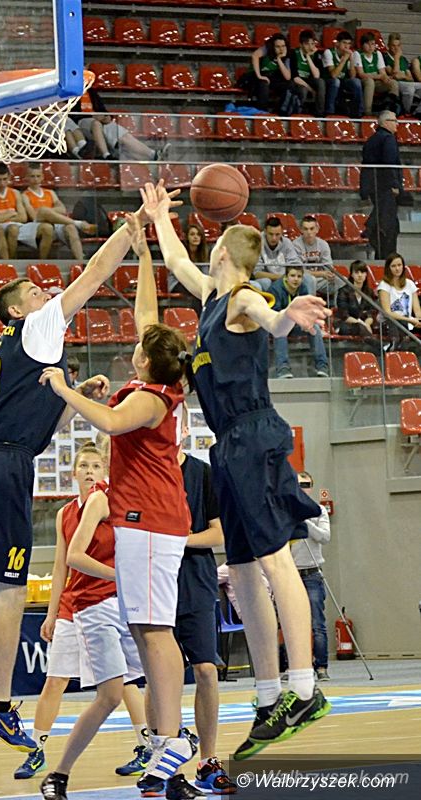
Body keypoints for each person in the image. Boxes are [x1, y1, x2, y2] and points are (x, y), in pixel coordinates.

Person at [0, 203, 150, 752]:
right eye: (33, 292)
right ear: (16, 310)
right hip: (1, 468)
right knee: (9, 590)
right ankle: (0, 705)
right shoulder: (39, 325)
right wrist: (133, 229)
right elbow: (93, 274)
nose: (45, 294)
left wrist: (73, 398)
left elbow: (33, 424)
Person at [143, 180, 331, 762]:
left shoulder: (244, 297)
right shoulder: (209, 298)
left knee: (276, 561)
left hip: (254, 434)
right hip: (226, 445)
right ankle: (269, 694)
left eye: (213, 244)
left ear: (223, 251)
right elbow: (176, 259)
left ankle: (305, 688)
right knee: (244, 570)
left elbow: (270, 320)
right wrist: (158, 217)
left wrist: (287, 315)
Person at [39, 215, 198, 800]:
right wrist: (144, 251)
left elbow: (107, 422)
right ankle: (164, 738)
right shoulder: (157, 381)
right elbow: (147, 316)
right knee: (146, 630)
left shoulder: (152, 400)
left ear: (147, 363)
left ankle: (172, 737)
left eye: (138, 349)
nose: (134, 344)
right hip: (146, 524)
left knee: (155, 632)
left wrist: (64, 388)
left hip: (152, 522)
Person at [15, 443, 147, 781]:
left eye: (96, 466)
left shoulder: (114, 503)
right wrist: (51, 612)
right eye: (84, 466)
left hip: (109, 601)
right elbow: (61, 565)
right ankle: (36, 749)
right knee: (55, 679)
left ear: (105, 471)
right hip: (74, 603)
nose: (89, 471)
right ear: (73, 472)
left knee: (124, 679)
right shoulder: (65, 514)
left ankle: (146, 743)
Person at [173, 410, 237, 795]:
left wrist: (179, 541)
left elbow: (219, 533)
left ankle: (208, 760)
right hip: (155, 583)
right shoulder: (143, 473)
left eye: (175, 422)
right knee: (160, 678)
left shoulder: (202, 473)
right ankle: (164, 761)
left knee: (206, 671)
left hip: (195, 579)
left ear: (184, 428)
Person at [291, 472, 331, 681]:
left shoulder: (318, 511)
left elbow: (325, 537)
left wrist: (306, 522)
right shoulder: (286, 511)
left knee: (317, 623)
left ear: (311, 487)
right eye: (299, 484)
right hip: (292, 574)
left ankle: (321, 666)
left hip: (312, 572)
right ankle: (294, 667)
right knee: (290, 623)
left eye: (306, 485)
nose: (302, 488)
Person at [71, 88, 169, 161]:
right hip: (81, 122)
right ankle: (106, 155)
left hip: (100, 122)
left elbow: (103, 110)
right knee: (96, 124)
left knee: (122, 134)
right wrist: (93, 116)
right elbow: (71, 114)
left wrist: (106, 117)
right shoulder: (72, 93)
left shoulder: (92, 92)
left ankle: (153, 154)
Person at [20, 163, 90, 260]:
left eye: (38, 176)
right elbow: (34, 215)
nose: (35, 179)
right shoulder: (25, 195)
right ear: (27, 178)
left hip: (55, 223)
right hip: (37, 225)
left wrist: (48, 213)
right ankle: (78, 223)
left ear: (42, 177)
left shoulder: (50, 193)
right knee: (43, 211)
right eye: (32, 176)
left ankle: (81, 260)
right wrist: (48, 212)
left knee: (70, 227)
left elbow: (63, 210)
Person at [270, 266, 329, 379]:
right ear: (286, 277)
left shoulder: (303, 288)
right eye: (292, 276)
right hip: (278, 322)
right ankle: (283, 368)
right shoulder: (275, 289)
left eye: (299, 276)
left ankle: (322, 366)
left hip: (296, 323)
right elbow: (275, 313)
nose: (296, 279)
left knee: (314, 327)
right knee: (280, 330)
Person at [360, 110, 402, 259]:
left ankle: (372, 229)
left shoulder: (371, 139)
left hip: (374, 185)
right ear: (385, 123)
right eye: (394, 121)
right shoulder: (388, 139)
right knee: (388, 225)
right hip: (385, 186)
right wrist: (394, 184)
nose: (397, 124)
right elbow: (390, 163)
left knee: (383, 221)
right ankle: (371, 228)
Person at [292, 215, 343, 301]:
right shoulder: (295, 245)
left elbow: (328, 267)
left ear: (317, 229)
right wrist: (321, 274)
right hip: (303, 279)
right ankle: (311, 307)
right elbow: (298, 271)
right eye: (306, 229)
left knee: (342, 281)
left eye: (312, 229)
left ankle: (337, 306)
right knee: (310, 280)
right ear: (301, 230)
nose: (309, 232)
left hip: (321, 280)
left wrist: (330, 274)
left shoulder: (323, 244)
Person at [246, 34, 299, 115]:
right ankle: (262, 112)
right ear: (273, 46)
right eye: (278, 46)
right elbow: (255, 56)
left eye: (283, 46)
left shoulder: (287, 56)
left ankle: (281, 112)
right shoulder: (267, 49)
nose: (281, 49)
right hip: (259, 76)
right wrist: (259, 75)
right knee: (263, 83)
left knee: (290, 85)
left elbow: (287, 77)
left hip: (274, 78)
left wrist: (279, 59)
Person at [377, 251, 421, 348]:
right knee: (399, 332)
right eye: (393, 266)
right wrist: (410, 320)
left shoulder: (410, 284)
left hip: (408, 321)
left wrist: (418, 320)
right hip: (390, 322)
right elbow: (388, 313)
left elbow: (417, 310)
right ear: (388, 268)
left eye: (399, 265)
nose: (397, 268)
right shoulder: (384, 285)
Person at [354, 32, 399, 116]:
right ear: (362, 45)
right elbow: (361, 74)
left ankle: (391, 110)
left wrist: (386, 78)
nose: (371, 47)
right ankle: (367, 112)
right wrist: (380, 76)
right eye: (368, 44)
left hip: (377, 80)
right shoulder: (357, 54)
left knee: (393, 83)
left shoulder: (377, 54)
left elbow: (383, 72)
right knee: (370, 82)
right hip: (363, 81)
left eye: (373, 44)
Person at [169, 224, 210, 316]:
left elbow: (205, 274)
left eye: (198, 235)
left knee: (202, 290)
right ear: (187, 237)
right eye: (192, 234)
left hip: (195, 282)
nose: (196, 237)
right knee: (196, 291)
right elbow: (178, 273)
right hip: (177, 282)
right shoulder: (181, 252)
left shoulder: (203, 254)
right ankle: (198, 319)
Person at [252, 216, 302, 291]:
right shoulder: (257, 243)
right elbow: (257, 274)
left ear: (282, 232)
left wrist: (289, 277)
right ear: (265, 231)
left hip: (286, 278)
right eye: (271, 234)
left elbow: (296, 266)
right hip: (268, 279)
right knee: (265, 282)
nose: (274, 238)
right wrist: (281, 277)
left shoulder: (287, 242)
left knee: (308, 279)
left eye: (277, 234)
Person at [322, 30, 363, 117]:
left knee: (356, 82)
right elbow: (333, 75)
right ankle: (330, 111)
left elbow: (352, 76)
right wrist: (344, 60)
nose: (347, 46)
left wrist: (351, 59)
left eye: (349, 44)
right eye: (344, 43)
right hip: (328, 80)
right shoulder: (329, 52)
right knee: (336, 81)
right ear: (337, 43)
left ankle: (357, 112)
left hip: (343, 80)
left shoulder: (350, 54)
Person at [335, 260, 376, 338]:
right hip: (347, 324)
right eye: (357, 272)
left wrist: (367, 324)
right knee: (359, 327)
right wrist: (362, 324)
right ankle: (376, 344)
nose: (360, 275)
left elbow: (370, 313)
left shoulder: (369, 292)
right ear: (352, 275)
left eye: (362, 272)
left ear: (366, 274)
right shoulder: (343, 291)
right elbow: (344, 315)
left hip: (364, 325)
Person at [290, 29, 325, 116]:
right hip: (297, 81)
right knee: (303, 90)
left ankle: (319, 113)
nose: (310, 47)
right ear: (301, 44)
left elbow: (316, 76)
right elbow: (294, 77)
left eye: (312, 44)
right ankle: (297, 113)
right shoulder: (293, 53)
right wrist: (310, 89)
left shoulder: (315, 54)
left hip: (310, 80)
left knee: (321, 82)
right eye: (307, 44)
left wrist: (308, 57)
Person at [384, 33, 421, 115]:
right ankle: (406, 112)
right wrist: (396, 58)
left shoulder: (403, 59)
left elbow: (410, 78)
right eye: (393, 45)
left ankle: (417, 112)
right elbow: (394, 74)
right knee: (409, 89)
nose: (396, 48)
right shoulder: (385, 57)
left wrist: (402, 75)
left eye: (398, 45)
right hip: (396, 84)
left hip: (408, 83)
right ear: (388, 45)